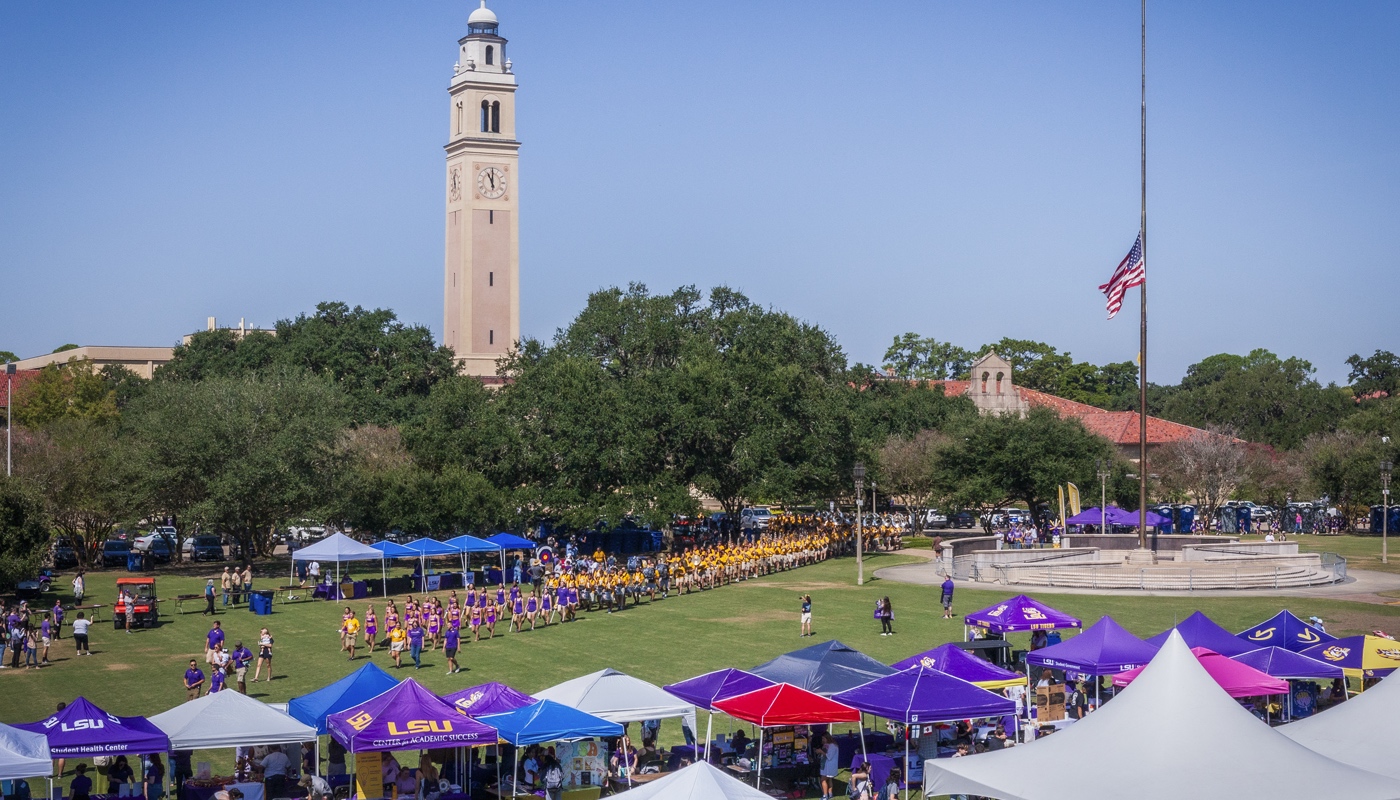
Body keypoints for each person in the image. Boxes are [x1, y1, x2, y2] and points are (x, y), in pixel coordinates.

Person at [819, 733, 839, 800]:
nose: (822, 740)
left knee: (823, 780)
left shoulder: (832, 746)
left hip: (830, 766)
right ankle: (830, 794)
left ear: (827, 738)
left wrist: (821, 752)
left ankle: (825, 796)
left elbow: (829, 756)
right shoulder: (826, 745)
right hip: (826, 765)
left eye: (823, 738)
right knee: (829, 779)